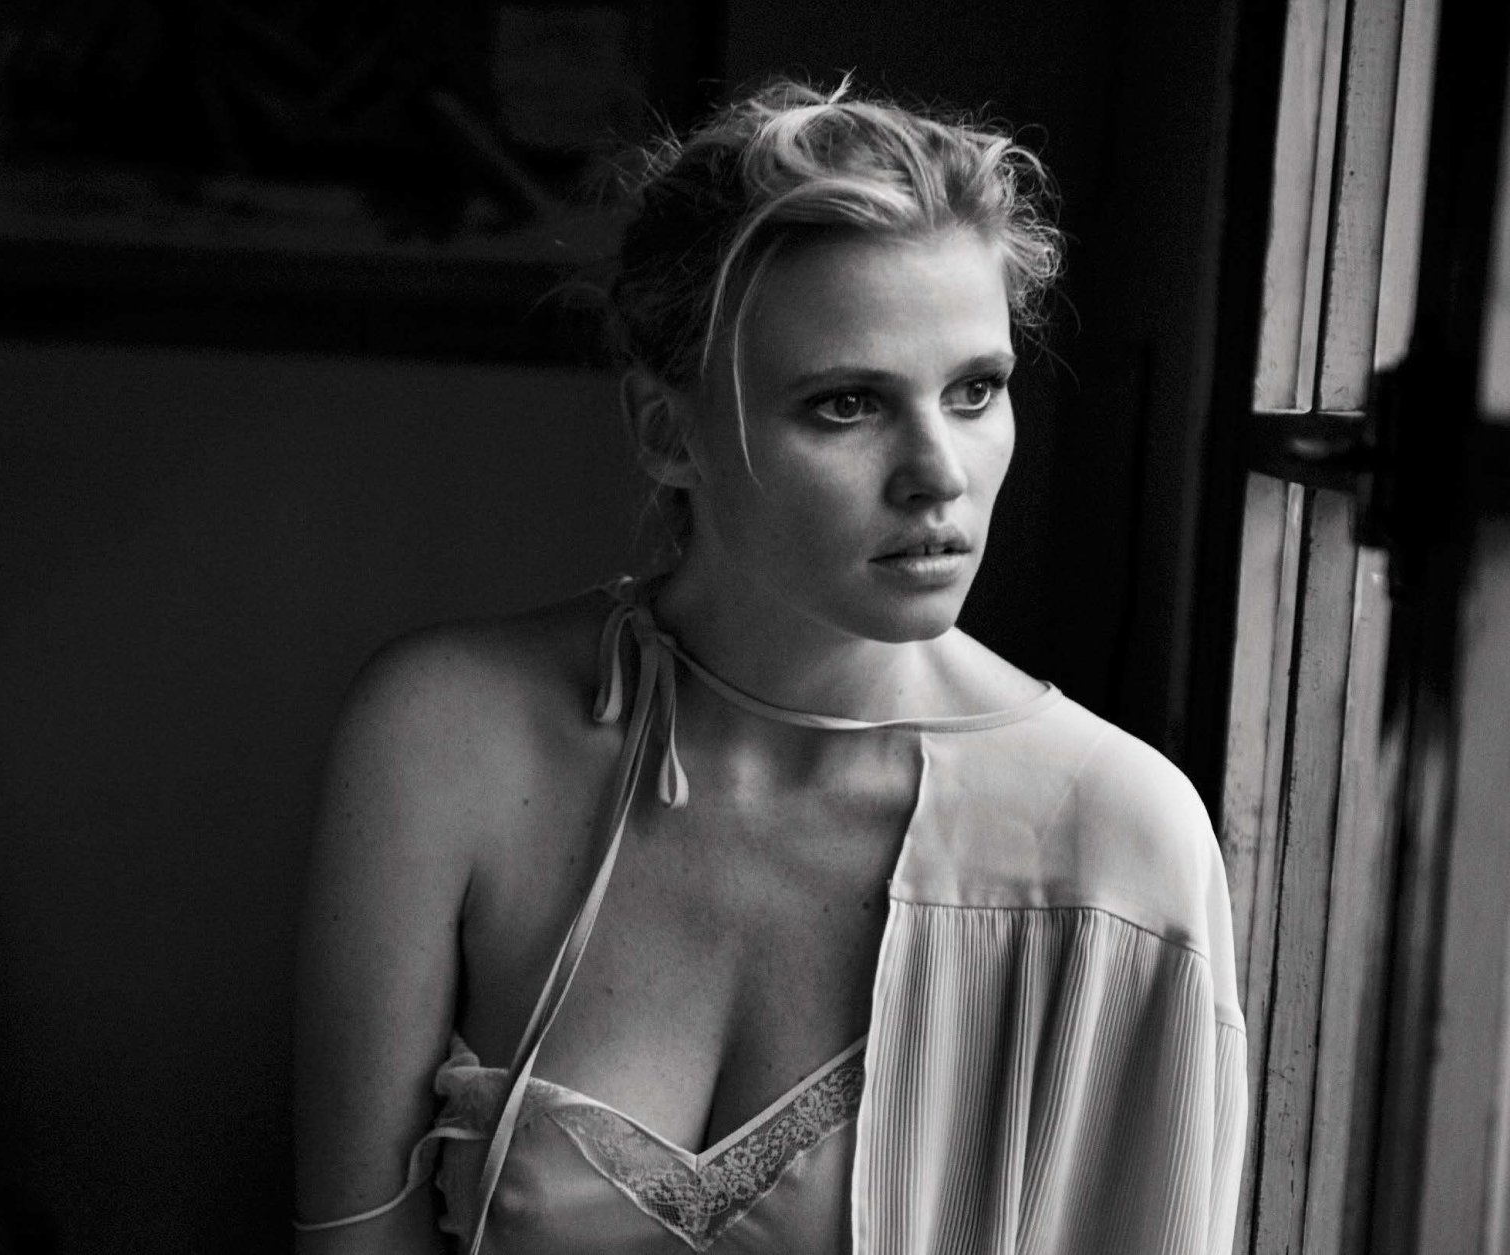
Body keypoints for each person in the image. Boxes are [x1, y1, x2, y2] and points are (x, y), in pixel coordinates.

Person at [292, 76, 1246, 1255]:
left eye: (975, 391)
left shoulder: (1116, 836)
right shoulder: (449, 738)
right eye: (847, 404)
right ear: (668, 432)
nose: (939, 474)